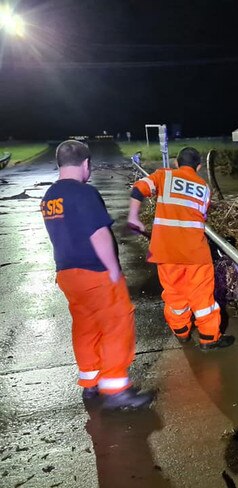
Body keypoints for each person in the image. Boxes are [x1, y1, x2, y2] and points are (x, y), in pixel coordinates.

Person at [41, 140, 152, 410]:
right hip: (95, 272)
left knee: (86, 326)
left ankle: (90, 382)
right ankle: (115, 389)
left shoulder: (49, 198)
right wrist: (113, 268)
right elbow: (98, 233)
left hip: (67, 274)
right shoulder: (84, 193)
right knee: (117, 323)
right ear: (86, 163)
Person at [128, 147, 234, 351]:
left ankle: (182, 332)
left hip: (165, 251)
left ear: (176, 163)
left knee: (174, 294)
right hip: (195, 252)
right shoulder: (204, 187)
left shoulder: (163, 176)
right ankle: (209, 338)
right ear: (199, 166)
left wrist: (133, 217)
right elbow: (201, 217)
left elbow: (138, 188)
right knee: (202, 296)